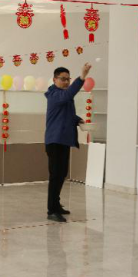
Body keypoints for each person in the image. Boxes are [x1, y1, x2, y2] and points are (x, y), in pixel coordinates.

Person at [44, 63, 92, 223]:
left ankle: (56, 205)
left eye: (68, 79)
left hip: (63, 141)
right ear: (54, 79)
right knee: (55, 176)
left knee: (61, 174)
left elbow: (66, 114)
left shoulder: (63, 96)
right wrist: (82, 77)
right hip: (55, 141)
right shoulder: (54, 95)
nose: (66, 82)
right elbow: (68, 95)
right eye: (63, 79)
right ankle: (51, 210)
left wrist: (78, 120)